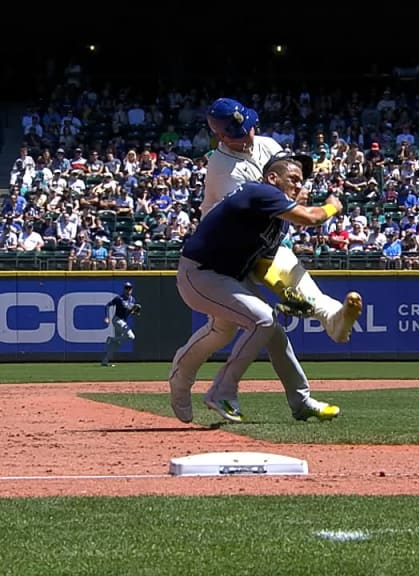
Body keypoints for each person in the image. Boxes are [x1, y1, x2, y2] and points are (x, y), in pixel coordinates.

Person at [168, 97, 363, 405]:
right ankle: (183, 378)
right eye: (237, 132)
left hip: (260, 242)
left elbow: (291, 180)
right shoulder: (222, 168)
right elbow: (270, 204)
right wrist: (327, 206)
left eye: (248, 127)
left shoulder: (267, 144)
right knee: (226, 331)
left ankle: (331, 327)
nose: (247, 135)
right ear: (221, 136)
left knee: (280, 305)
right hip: (227, 253)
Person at [172, 153, 342, 423]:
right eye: (293, 179)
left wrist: (285, 291)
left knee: (262, 331)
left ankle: (301, 401)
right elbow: (310, 218)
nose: (299, 186)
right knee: (262, 320)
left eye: (301, 181)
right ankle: (220, 391)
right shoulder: (261, 191)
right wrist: (332, 206)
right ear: (273, 178)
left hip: (228, 277)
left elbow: (261, 264)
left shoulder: (276, 218)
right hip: (200, 274)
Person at [101, 281, 138, 366]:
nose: (128, 290)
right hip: (117, 320)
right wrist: (107, 317)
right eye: (126, 288)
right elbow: (107, 305)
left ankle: (105, 361)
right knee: (131, 336)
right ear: (124, 289)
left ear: (131, 290)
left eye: (129, 288)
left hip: (123, 321)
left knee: (117, 344)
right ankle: (111, 339)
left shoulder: (132, 299)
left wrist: (134, 312)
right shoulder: (119, 298)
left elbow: (129, 312)